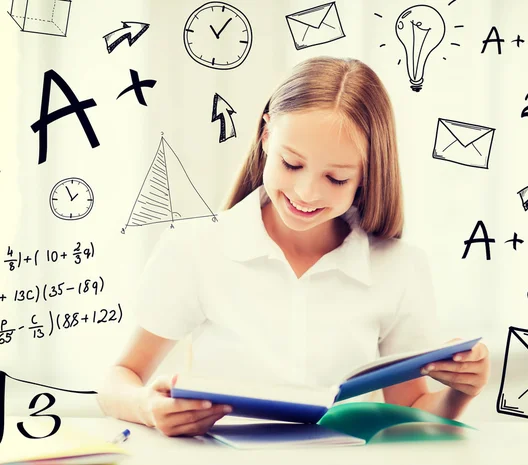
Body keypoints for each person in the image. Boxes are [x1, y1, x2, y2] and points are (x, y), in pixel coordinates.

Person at [96, 56, 490, 437]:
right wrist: (148, 407)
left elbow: (411, 415)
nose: (306, 193)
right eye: (292, 164)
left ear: (367, 176)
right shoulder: (195, 248)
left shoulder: (399, 267)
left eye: (335, 178)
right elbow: (118, 381)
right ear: (267, 135)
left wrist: (460, 392)